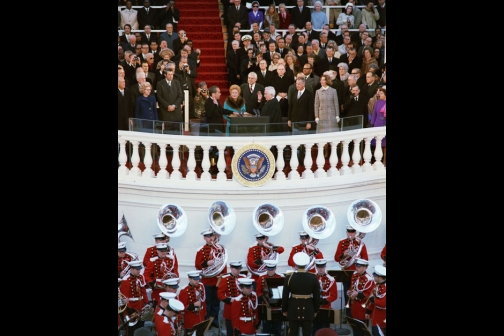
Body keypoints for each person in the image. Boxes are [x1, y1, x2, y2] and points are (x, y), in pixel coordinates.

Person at [194, 228, 227, 328]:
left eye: (212, 236)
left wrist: (223, 277)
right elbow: (197, 265)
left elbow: (223, 263)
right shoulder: (201, 250)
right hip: (207, 280)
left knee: (216, 302)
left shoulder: (220, 249)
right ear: (204, 238)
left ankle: (215, 320)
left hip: (217, 280)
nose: (210, 238)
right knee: (207, 302)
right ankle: (207, 321)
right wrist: (207, 263)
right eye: (208, 236)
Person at [282, 252, 321, 336]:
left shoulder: (289, 277)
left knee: (293, 332)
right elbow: (317, 296)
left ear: (295, 264)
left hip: (293, 308)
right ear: (306, 264)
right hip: (308, 307)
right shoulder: (313, 277)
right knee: (307, 333)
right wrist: (315, 310)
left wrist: (284, 309)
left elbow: (285, 296)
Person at [144, 242, 179, 308]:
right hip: (158, 288)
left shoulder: (171, 259)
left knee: (171, 306)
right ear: (157, 251)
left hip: (170, 287)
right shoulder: (153, 261)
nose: (163, 252)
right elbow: (146, 275)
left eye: (165, 250)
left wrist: (176, 279)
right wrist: (152, 283)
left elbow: (175, 271)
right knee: (158, 307)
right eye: (161, 251)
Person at [119, 260, 149, 335]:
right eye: (137, 269)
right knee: (132, 327)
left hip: (141, 304)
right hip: (132, 306)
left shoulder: (141, 277)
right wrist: (129, 309)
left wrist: (146, 303)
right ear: (131, 269)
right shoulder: (126, 280)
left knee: (141, 325)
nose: (139, 271)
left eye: (139, 269)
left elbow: (143, 290)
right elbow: (125, 296)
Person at [218, 261, 247, 336]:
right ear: (231, 268)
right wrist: (229, 300)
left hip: (242, 306)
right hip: (230, 306)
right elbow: (220, 294)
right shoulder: (225, 279)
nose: (238, 271)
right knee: (230, 330)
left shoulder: (243, 278)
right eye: (236, 269)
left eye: (239, 269)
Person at [255, 260, 284, 336]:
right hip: (266, 306)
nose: (270, 271)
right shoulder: (261, 278)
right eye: (268, 269)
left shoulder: (279, 277)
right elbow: (258, 291)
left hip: (277, 306)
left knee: (277, 328)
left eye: (272, 269)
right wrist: (263, 298)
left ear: (275, 269)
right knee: (266, 328)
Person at [347, 258, 375, 336]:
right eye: (356, 266)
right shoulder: (355, 275)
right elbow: (352, 286)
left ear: (365, 267)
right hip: (354, 306)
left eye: (359, 267)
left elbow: (368, 295)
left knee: (362, 330)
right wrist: (350, 292)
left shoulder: (369, 279)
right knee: (355, 328)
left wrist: (357, 294)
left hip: (362, 307)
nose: (357, 268)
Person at [312, 259, 338, 336]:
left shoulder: (331, 279)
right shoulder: (312, 277)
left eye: (322, 267)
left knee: (325, 328)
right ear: (316, 267)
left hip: (325, 307)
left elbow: (334, 295)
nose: (320, 269)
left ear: (325, 267)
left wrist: (325, 300)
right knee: (314, 327)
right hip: (314, 307)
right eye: (318, 267)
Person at [364, 265, 386, 336]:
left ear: (379, 277)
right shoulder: (377, 285)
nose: (373, 276)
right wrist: (368, 311)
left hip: (383, 317)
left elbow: (383, 303)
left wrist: (373, 300)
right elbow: (373, 299)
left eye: (374, 275)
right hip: (375, 316)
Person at [369, 86, 386, 166]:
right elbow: (374, 113)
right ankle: (378, 160)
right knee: (378, 143)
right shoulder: (378, 102)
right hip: (378, 123)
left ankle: (385, 161)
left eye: (382, 93)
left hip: (385, 124)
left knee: (385, 144)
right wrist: (372, 123)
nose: (380, 95)